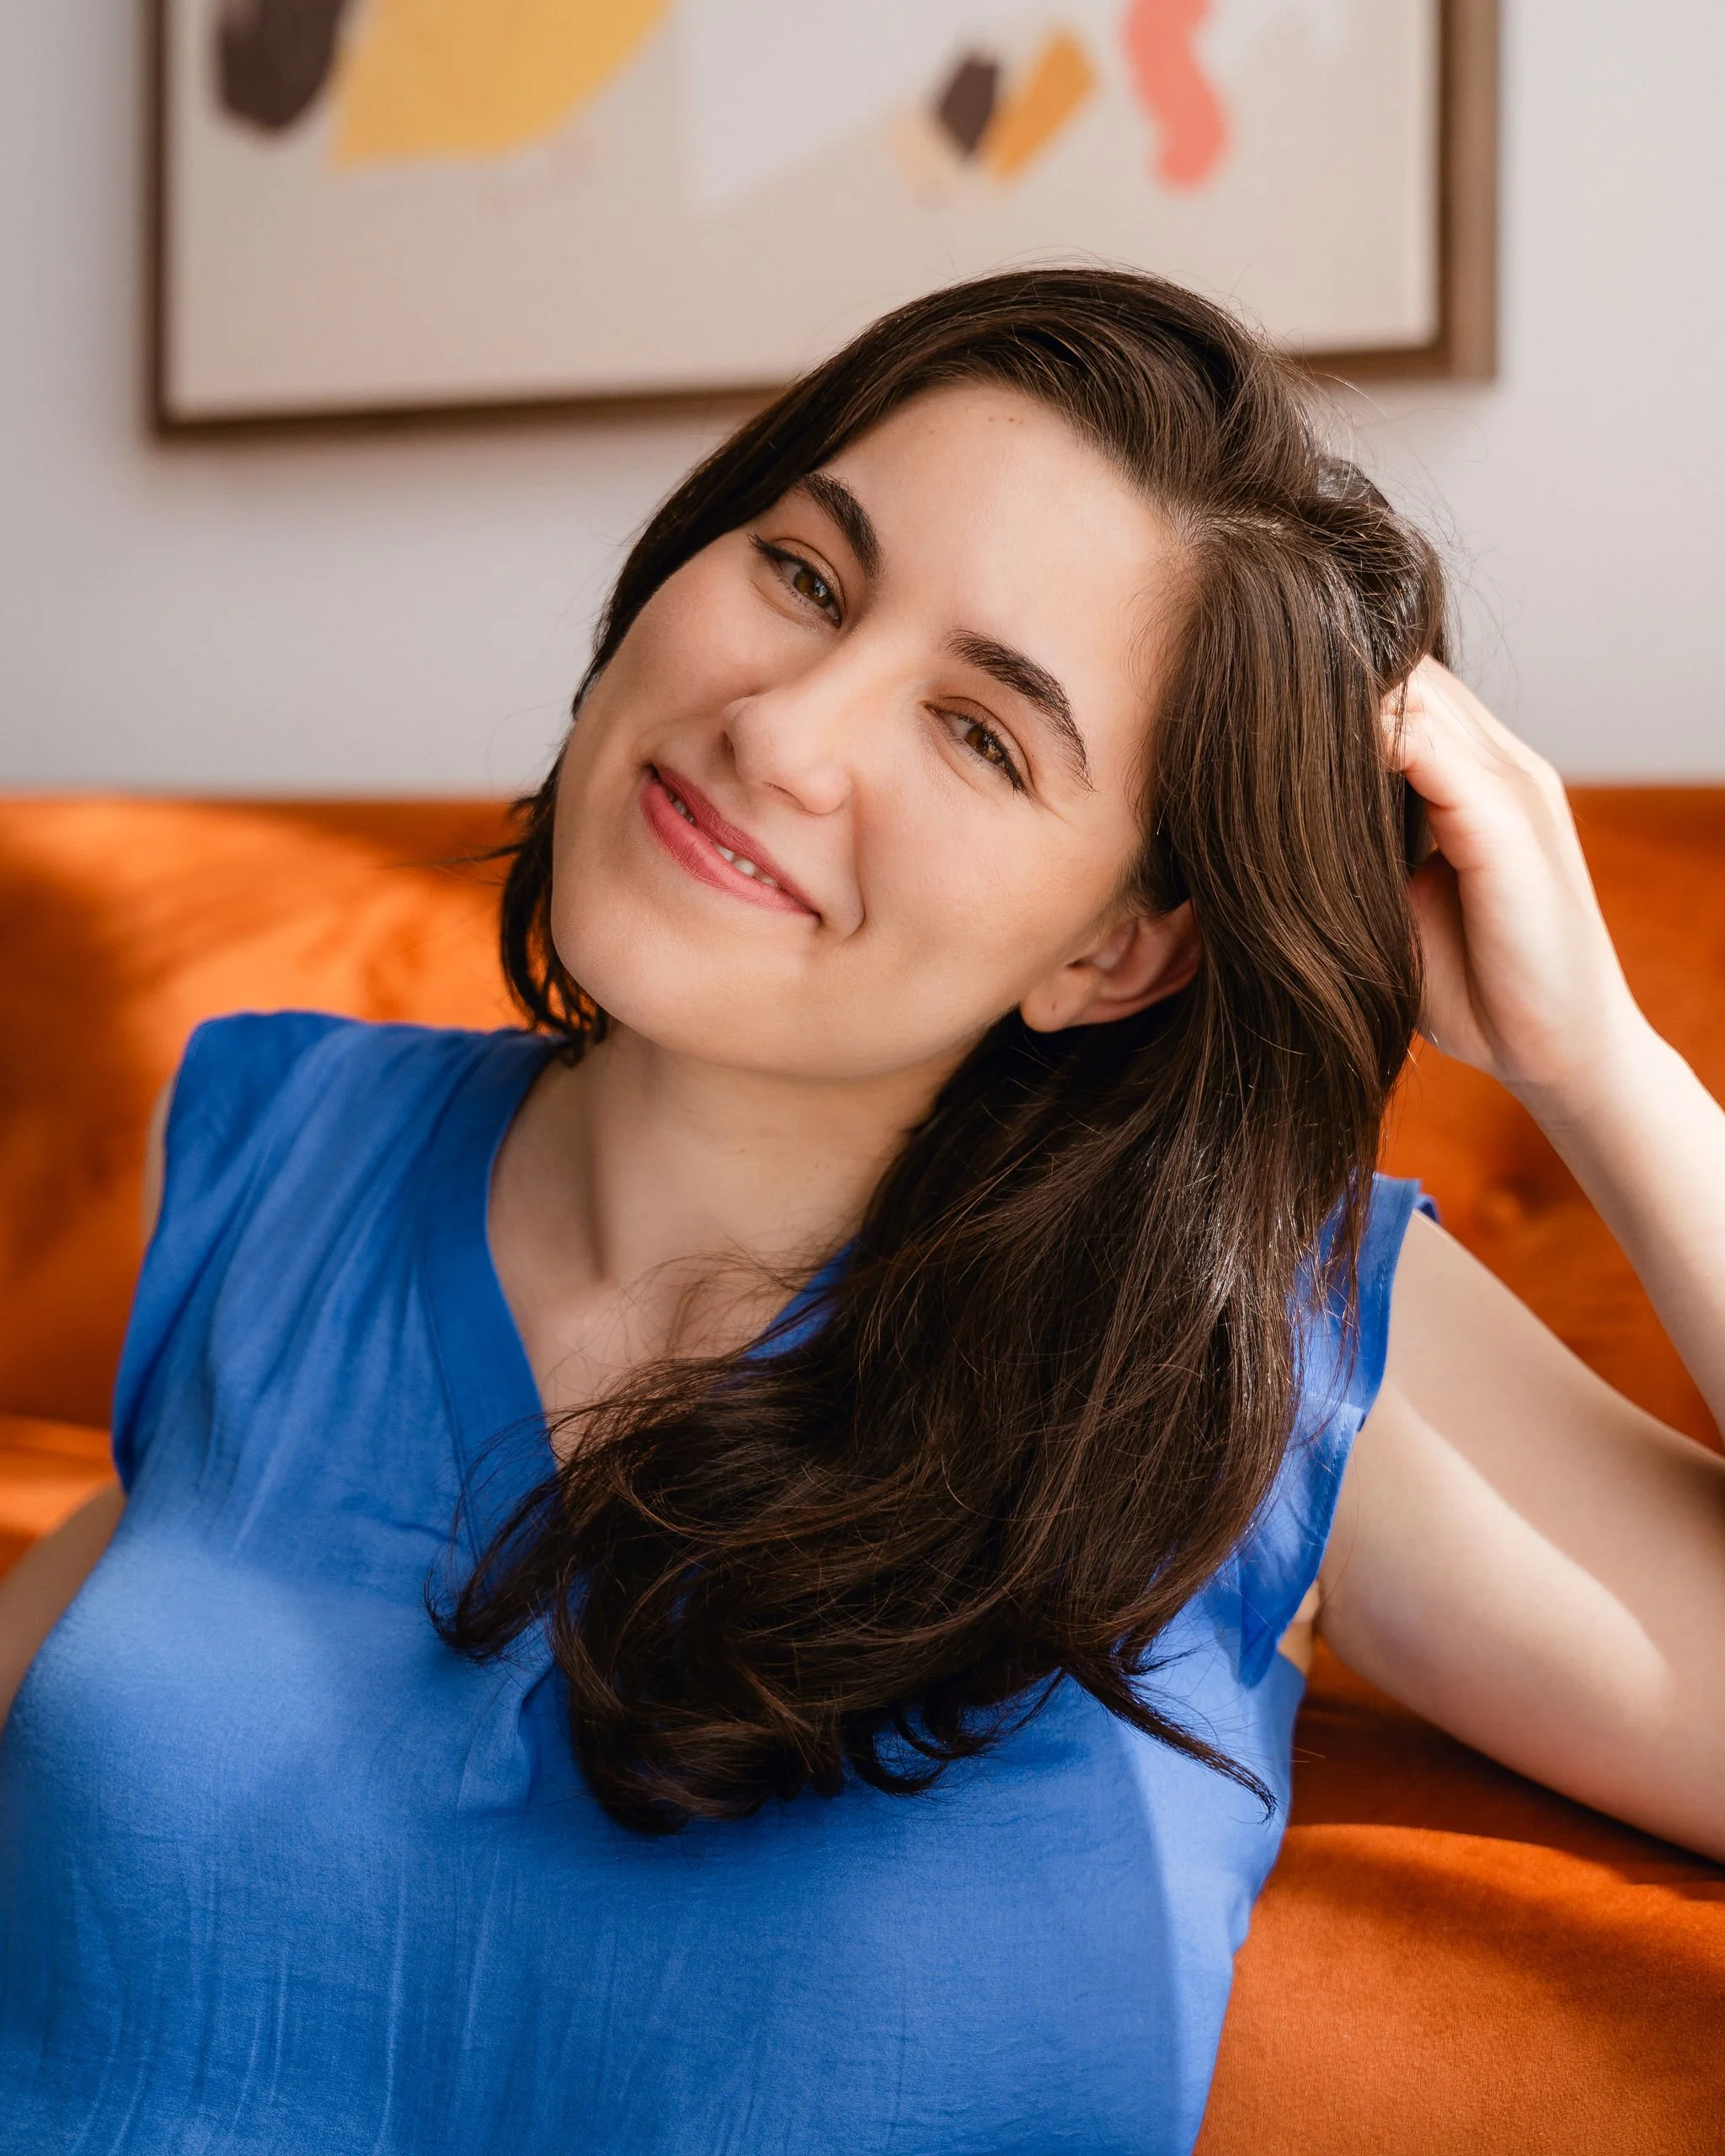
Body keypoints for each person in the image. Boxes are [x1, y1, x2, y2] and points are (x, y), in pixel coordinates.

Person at [1, 268, 1721, 2154]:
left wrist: (1600, 1067)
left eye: (981, 733)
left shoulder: (1252, 1339)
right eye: (809, 574)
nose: (783, 729)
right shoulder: (280, 1149)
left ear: (1117, 946)